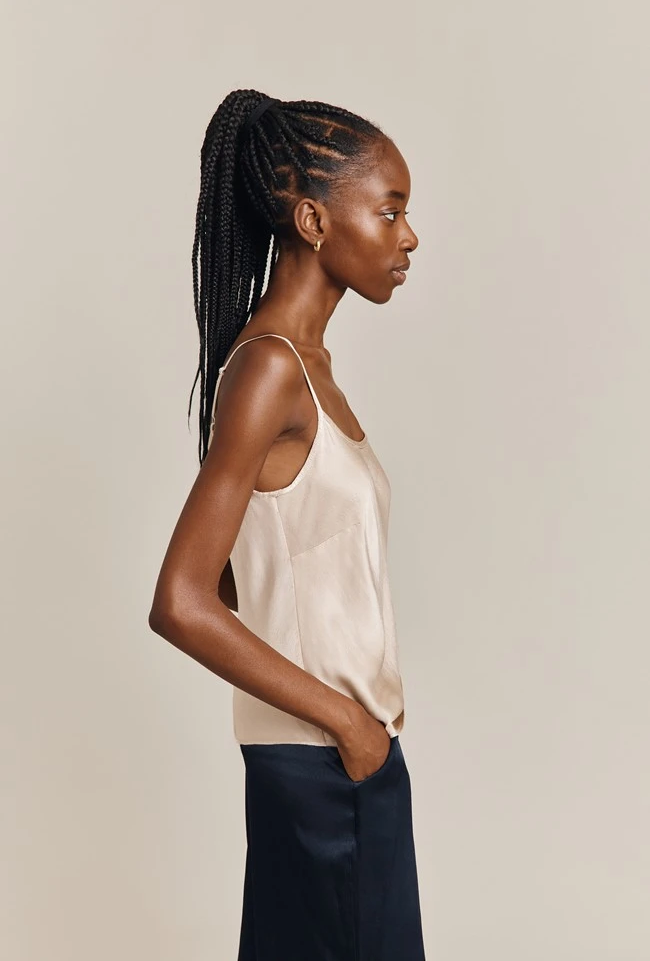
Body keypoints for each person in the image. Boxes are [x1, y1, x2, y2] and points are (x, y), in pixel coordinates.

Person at [148, 88, 425, 960]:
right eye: (390, 211)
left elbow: (248, 576)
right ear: (312, 220)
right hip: (324, 766)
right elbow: (183, 600)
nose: (410, 238)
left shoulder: (307, 368)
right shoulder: (270, 370)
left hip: (344, 763)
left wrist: (361, 736)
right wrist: (346, 724)